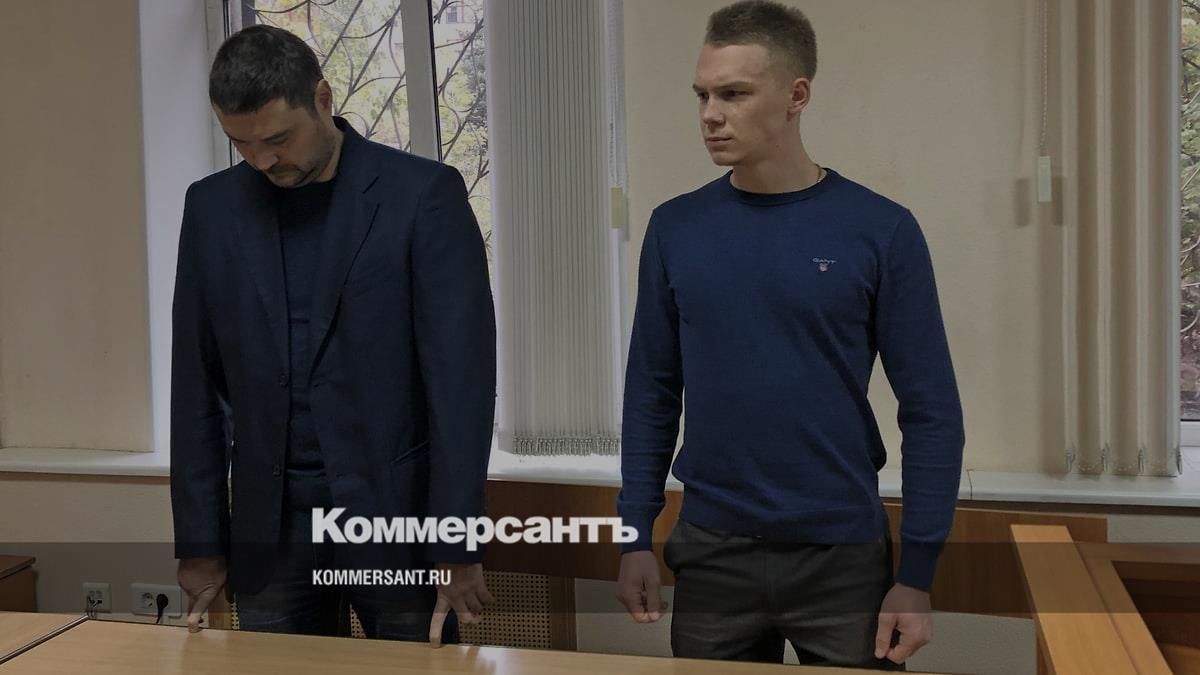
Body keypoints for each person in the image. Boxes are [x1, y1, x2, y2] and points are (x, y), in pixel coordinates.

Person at [615, 0, 964, 668]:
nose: (710, 114)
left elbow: (932, 410)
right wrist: (634, 533)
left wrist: (917, 572)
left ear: (796, 96)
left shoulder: (880, 230)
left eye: (734, 94)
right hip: (713, 549)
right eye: (702, 95)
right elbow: (651, 391)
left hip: (842, 554)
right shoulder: (675, 229)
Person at [171, 24, 495, 646]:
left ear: (322, 98)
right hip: (271, 531)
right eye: (241, 144)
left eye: (278, 140)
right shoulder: (211, 208)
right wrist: (201, 542)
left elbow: (462, 387)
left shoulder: (422, 195)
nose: (263, 161)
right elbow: (195, 384)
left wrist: (457, 539)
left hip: (396, 522)